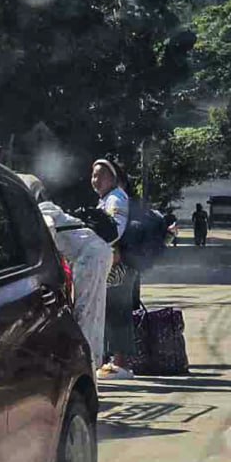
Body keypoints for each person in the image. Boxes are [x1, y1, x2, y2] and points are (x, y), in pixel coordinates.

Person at [21, 175, 114, 372]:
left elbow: (48, 230)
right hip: (98, 254)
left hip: (90, 257)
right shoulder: (53, 209)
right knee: (93, 312)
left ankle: (85, 366)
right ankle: (91, 363)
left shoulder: (44, 210)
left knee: (85, 313)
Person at [92, 158, 135, 380]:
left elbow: (114, 231)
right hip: (113, 262)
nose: (95, 180)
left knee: (118, 311)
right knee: (110, 311)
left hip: (118, 264)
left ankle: (121, 365)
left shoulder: (116, 198)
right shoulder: (108, 198)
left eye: (100, 175)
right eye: (93, 175)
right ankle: (113, 362)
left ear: (112, 178)